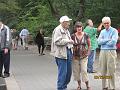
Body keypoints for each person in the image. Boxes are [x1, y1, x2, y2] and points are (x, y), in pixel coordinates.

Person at [51, 15, 73, 90]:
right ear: (63, 22)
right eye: (68, 22)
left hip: (68, 51)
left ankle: (64, 86)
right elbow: (57, 42)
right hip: (61, 54)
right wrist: (68, 41)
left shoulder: (66, 30)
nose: (69, 23)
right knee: (63, 73)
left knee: (69, 73)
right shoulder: (58, 29)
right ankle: (61, 88)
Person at [97, 16, 118, 90]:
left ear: (110, 23)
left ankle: (111, 87)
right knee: (103, 70)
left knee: (111, 70)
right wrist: (108, 39)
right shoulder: (102, 31)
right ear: (102, 24)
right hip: (102, 52)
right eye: (105, 23)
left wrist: (104, 41)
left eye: (107, 23)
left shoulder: (114, 31)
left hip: (111, 51)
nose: (106, 24)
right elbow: (98, 42)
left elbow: (113, 42)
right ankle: (104, 86)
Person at [71, 21, 91, 90]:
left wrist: (88, 51)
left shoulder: (86, 35)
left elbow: (89, 44)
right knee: (76, 72)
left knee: (84, 71)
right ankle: (79, 85)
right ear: (75, 28)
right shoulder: (73, 36)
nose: (79, 28)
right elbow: (71, 45)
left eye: (80, 27)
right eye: (77, 27)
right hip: (75, 56)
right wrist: (72, 54)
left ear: (82, 27)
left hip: (84, 56)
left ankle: (87, 85)